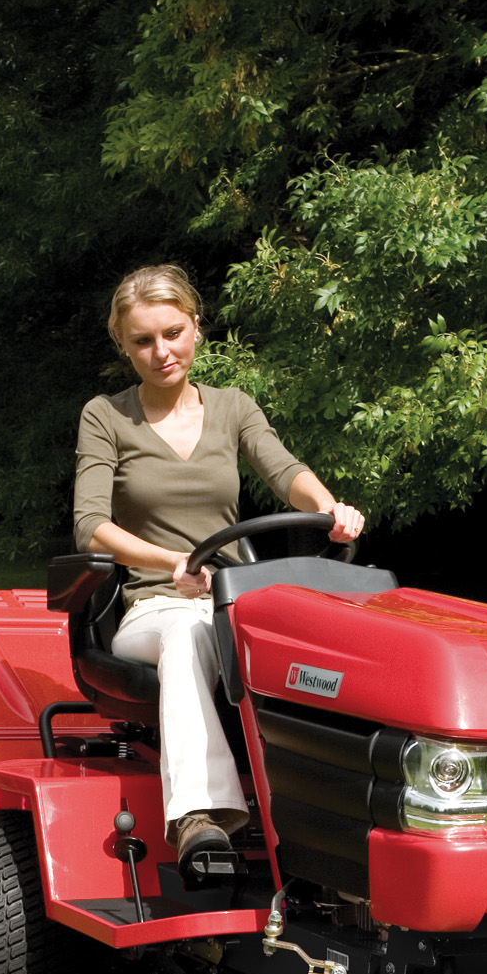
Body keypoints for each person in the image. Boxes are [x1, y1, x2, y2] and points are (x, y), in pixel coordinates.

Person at [73, 263, 365, 868]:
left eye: (173, 333)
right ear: (124, 347)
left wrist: (329, 506)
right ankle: (200, 817)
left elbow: (286, 474)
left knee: (335, 642)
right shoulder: (106, 416)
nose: (162, 352)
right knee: (185, 632)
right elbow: (90, 525)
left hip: (233, 602)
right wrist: (173, 561)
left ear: (197, 329)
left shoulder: (233, 408)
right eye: (143, 341)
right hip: (152, 608)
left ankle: (339, 812)